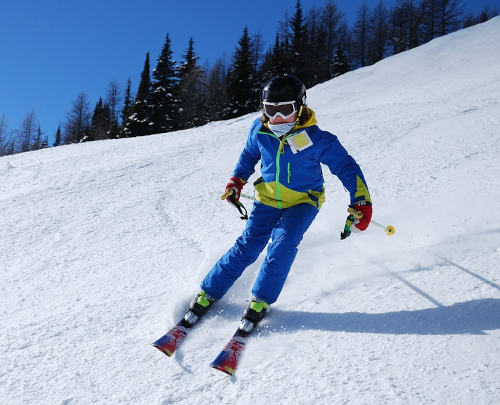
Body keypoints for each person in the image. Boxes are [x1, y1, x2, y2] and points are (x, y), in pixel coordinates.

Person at [184, 73, 372, 334]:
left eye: (285, 110)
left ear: (300, 106)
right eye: (271, 111)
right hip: (267, 199)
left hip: (303, 202)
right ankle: (208, 292)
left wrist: (360, 200)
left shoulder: (318, 138)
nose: (277, 119)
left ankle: (260, 300)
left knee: (282, 245)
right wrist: (236, 181)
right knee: (247, 246)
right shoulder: (260, 130)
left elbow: (346, 166)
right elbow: (249, 154)